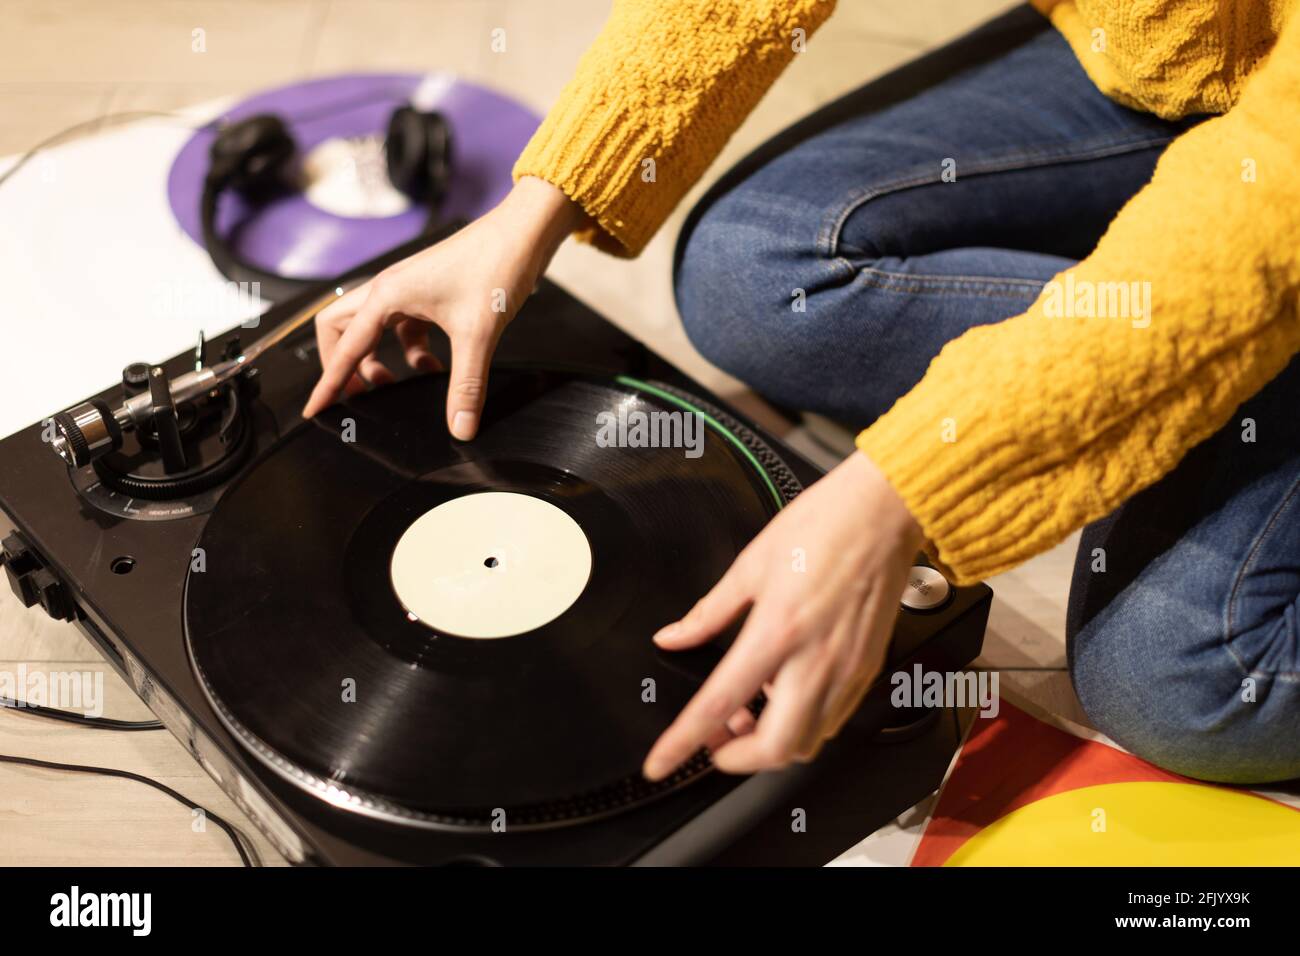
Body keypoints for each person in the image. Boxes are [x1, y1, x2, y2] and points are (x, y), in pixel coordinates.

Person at [303, 1, 1300, 786]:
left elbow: (1268, 207)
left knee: (1180, 682)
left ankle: (1230, 355)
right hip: (1181, 65)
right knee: (747, 273)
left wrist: (910, 485)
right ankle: (1203, 352)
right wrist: (535, 210)